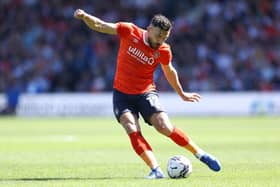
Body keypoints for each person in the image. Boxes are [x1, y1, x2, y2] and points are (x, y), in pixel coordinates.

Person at [74, 9, 221, 179]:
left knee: (164, 126)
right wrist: (85, 16)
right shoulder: (129, 31)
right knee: (131, 127)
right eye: (158, 36)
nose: (161, 41)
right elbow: (101, 25)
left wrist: (181, 93)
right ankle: (155, 170)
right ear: (149, 29)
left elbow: (169, 71)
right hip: (122, 94)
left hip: (146, 92)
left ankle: (201, 154)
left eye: (164, 37)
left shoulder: (164, 50)